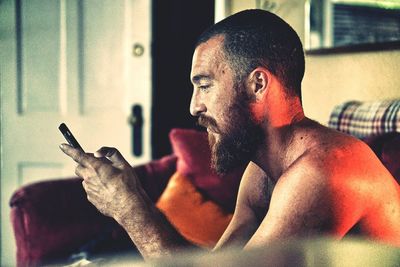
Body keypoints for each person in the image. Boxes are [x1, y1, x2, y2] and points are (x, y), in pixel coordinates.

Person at [60, 9, 400, 259]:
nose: (194, 107)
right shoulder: (262, 171)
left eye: (205, 86)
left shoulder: (322, 173)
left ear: (257, 84)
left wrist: (129, 208)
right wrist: (132, 197)